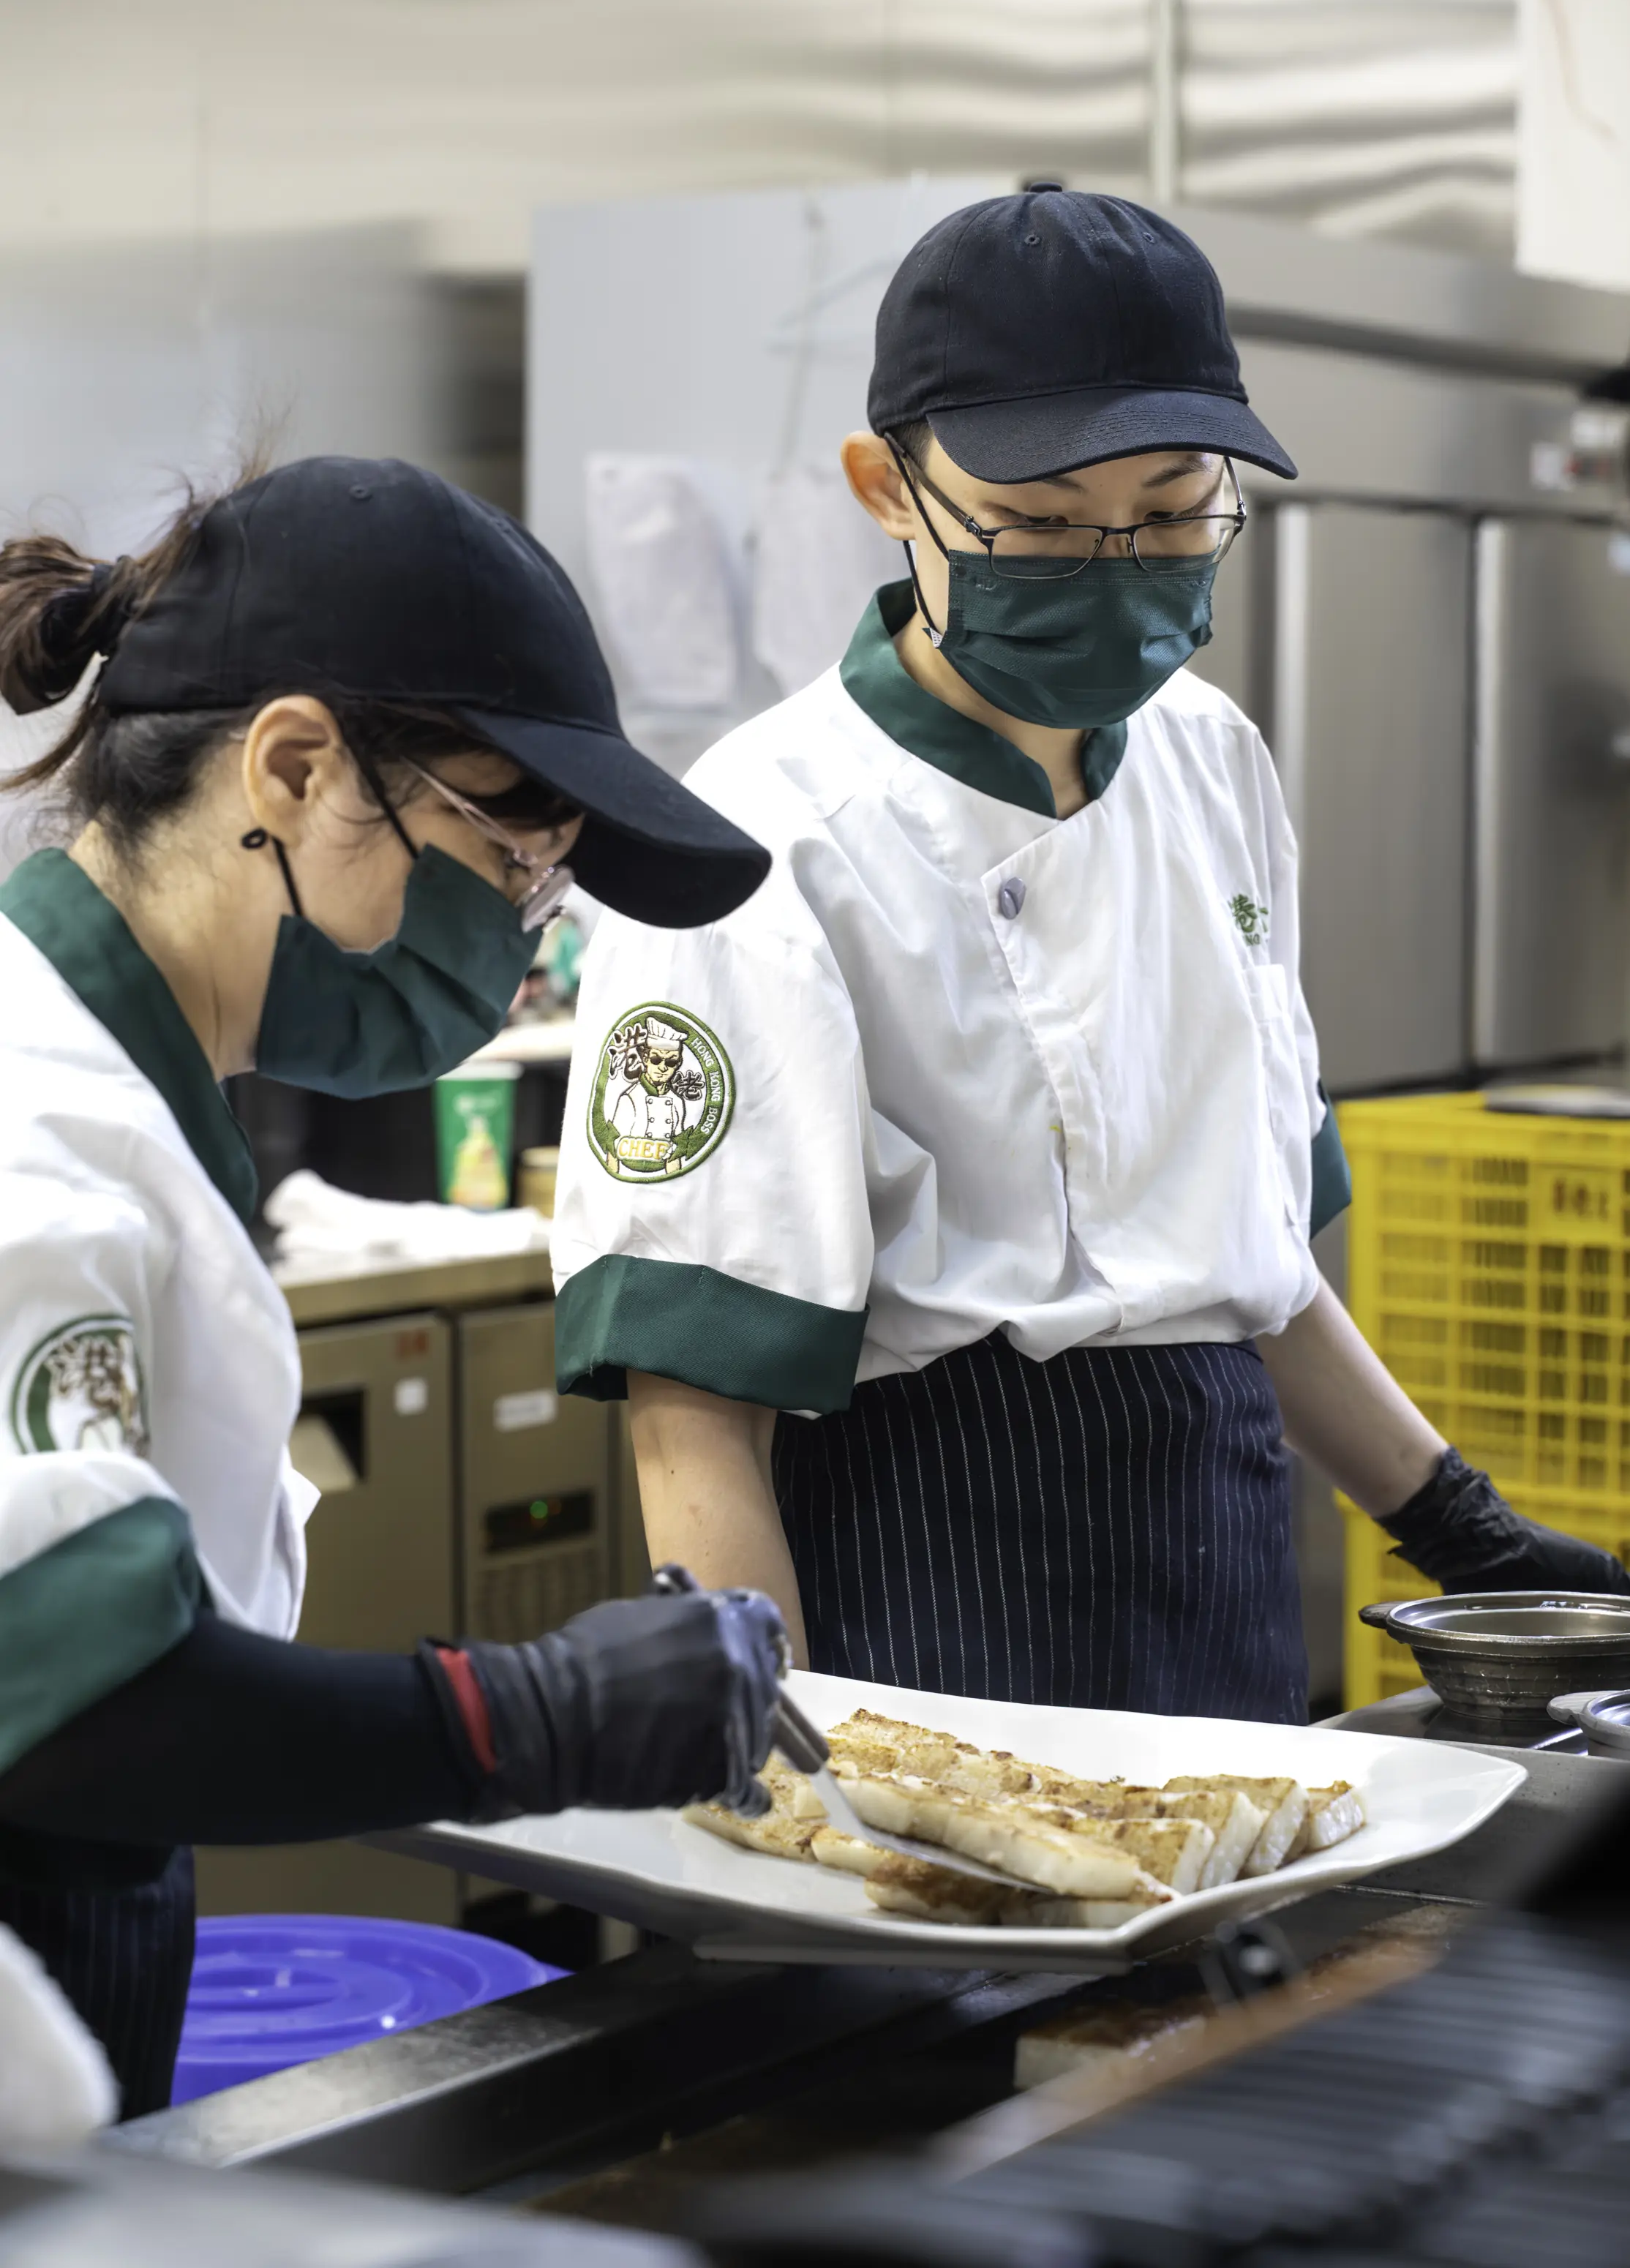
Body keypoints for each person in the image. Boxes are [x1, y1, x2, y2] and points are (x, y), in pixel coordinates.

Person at [549, 187, 1629, 1719]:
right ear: (884, 486)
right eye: (1045, 524)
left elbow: (1254, 1264)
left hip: (1219, 1558)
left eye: (1177, 512)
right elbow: (692, 1408)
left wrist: (1467, 1528)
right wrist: (775, 1758)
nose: (1117, 564)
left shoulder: (1213, 760)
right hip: (937, 1584)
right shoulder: (763, 835)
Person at [0, 454, 787, 2119]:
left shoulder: (142, 1103)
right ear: (292, 766)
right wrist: (538, 1712)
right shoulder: (38, 1131)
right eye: (506, 851)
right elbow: (68, 1702)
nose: (517, 937)